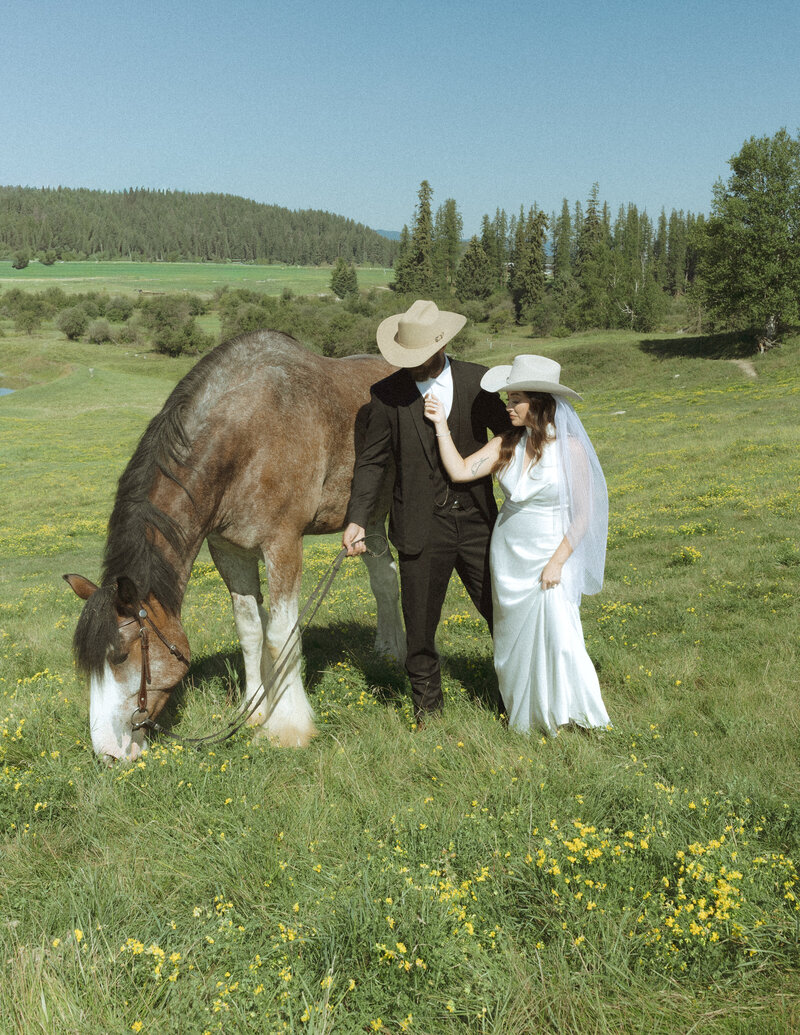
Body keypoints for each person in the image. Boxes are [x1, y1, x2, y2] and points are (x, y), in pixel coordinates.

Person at [342, 300, 510, 724]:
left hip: (478, 523)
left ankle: (514, 697)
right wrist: (357, 518)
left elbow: (509, 440)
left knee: (501, 613)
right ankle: (428, 712)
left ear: (439, 346)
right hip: (419, 526)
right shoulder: (386, 395)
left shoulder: (478, 381)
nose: (412, 366)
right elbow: (372, 462)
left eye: (418, 358)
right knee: (419, 627)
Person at [423, 354, 610, 735]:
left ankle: (575, 714)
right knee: (514, 643)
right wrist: (441, 425)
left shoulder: (570, 448)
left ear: (538, 404)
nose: (507, 406)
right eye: (509, 399)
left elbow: (583, 515)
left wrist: (557, 562)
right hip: (508, 554)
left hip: (549, 553)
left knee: (559, 635)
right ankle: (526, 718)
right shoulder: (505, 444)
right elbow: (460, 471)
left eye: (516, 399)